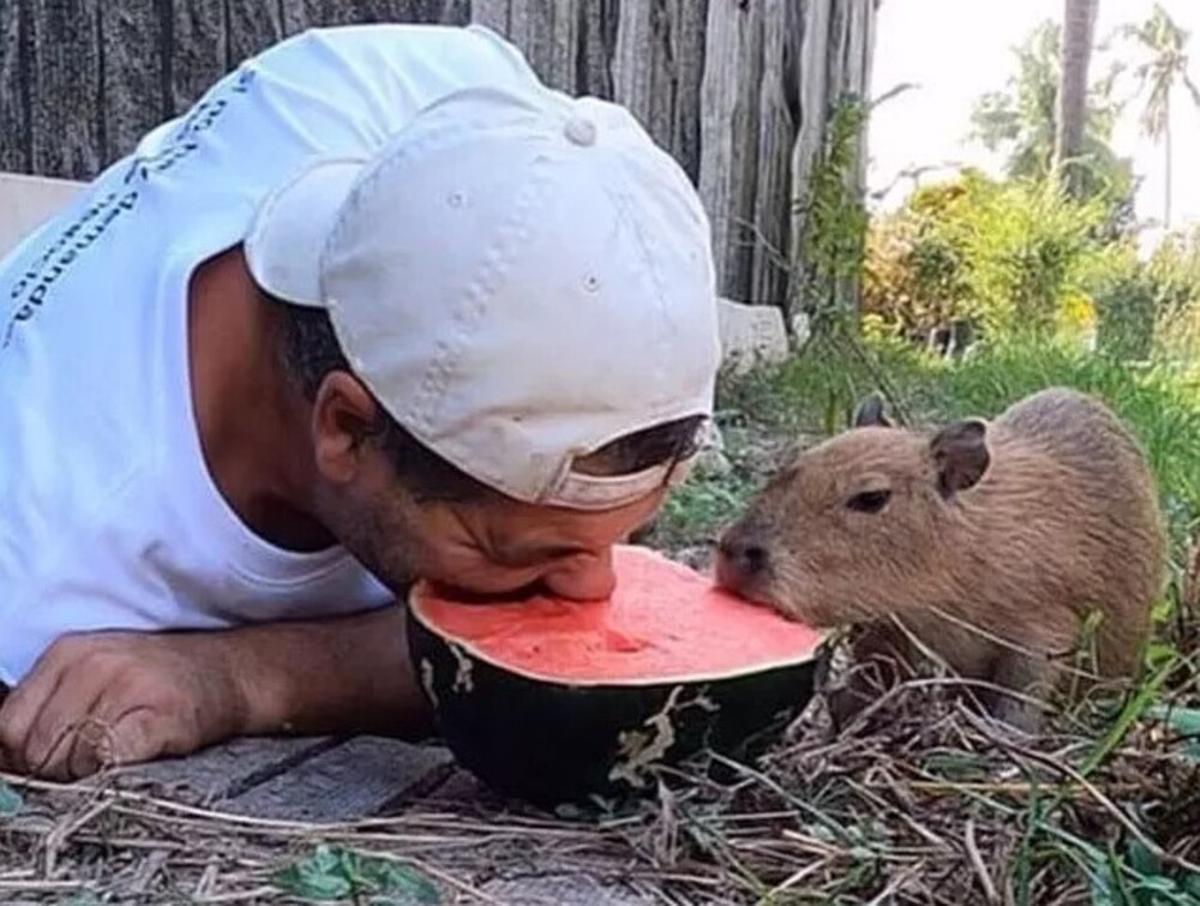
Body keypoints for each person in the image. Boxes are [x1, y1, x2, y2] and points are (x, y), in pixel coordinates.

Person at [0, 23, 720, 780]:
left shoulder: (416, 88)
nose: (599, 591)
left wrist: (245, 676)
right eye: (513, 549)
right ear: (347, 429)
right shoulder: (36, 570)